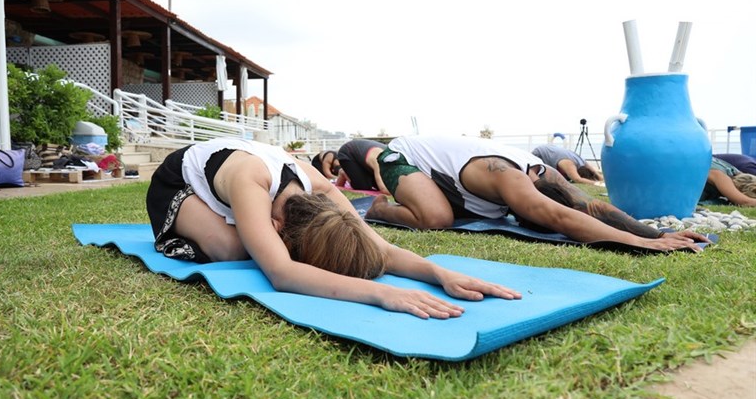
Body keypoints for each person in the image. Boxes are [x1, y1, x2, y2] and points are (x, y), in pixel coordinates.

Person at [146, 137, 521, 319]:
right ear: (277, 227)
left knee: (247, 244)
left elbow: (382, 250)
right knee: (234, 250)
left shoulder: (321, 189)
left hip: (242, 180)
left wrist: (439, 273)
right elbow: (282, 273)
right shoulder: (251, 183)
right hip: (178, 181)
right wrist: (380, 295)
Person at [366, 135, 710, 252]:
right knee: (437, 218)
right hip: (404, 155)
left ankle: (434, 196)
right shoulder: (508, 177)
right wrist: (644, 246)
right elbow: (560, 216)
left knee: (465, 210)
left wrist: (659, 233)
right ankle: (382, 210)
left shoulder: (549, 176)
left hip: (453, 175)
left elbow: (588, 206)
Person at [531, 144, 604, 185]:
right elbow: (577, 179)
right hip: (540, 153)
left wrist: (601, 180)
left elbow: (595, 173)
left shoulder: (582, 162)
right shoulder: (569, 164)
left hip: (551, 149)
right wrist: (597, 184)